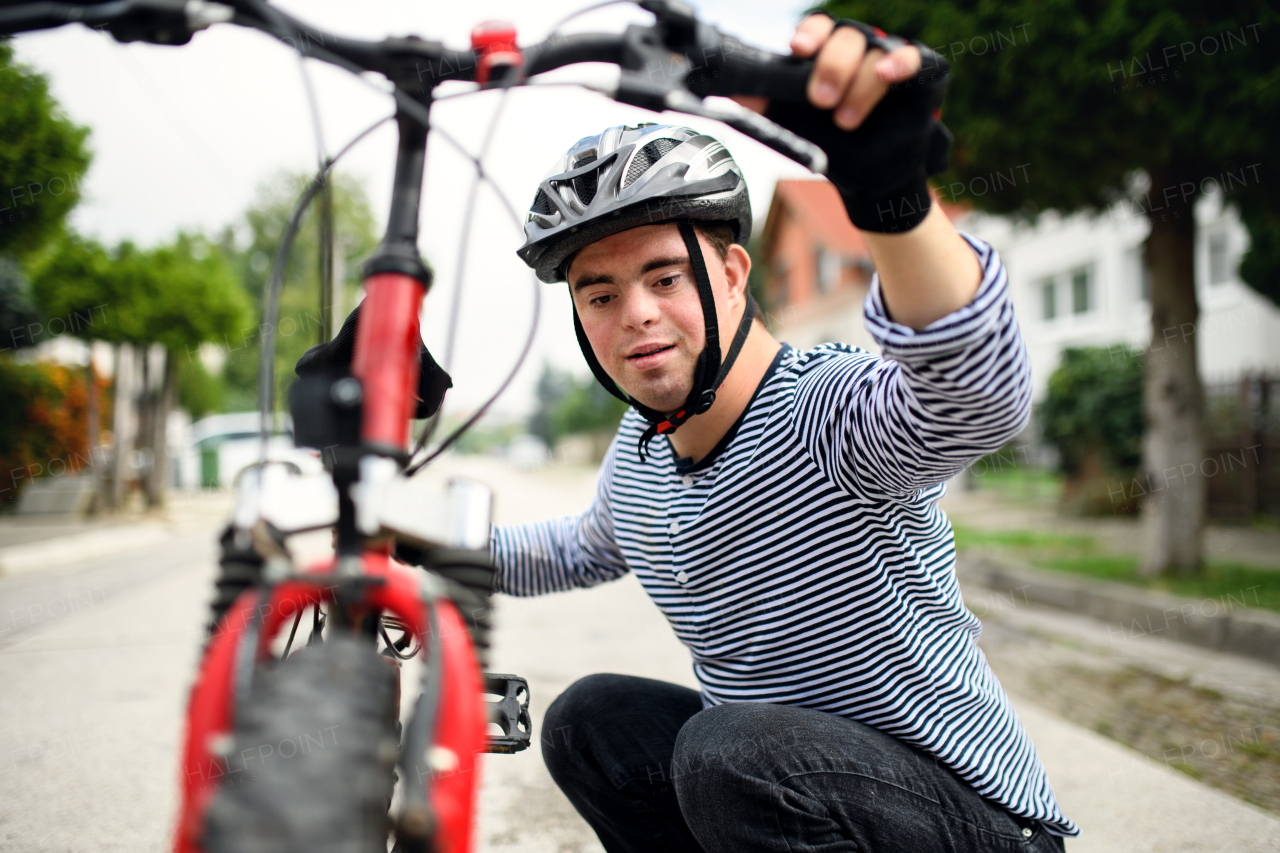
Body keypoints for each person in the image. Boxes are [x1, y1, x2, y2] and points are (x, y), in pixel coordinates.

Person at [491, 12, 1079, 852]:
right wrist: (389, 540)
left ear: (732, 275)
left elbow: (972, 402)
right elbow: (570, 547)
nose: (637, 315)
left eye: (664, 276)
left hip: (974, 824)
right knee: (594, 720)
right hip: (794, 793)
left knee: (729, 751)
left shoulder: (822, 410)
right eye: (602, 294)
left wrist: (891, 197)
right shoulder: (641, 455)